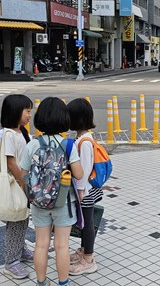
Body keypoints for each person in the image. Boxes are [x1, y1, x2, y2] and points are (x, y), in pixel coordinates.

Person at [18, 97, 83, 286]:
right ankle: (63, 283)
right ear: (64, 119)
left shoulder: (33, 144)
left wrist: (36, 192)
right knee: (61, 245)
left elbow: (23, 174)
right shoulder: (68, 145)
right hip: (63, 202)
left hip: (39, 202)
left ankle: (41, 282)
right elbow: (78, 174)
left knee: (41, 244)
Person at [0, 95, 35, 279]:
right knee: (16, 221)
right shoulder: (8, 134)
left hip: (20, 182)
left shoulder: (21, 132)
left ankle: (20, 249)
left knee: (21, 219)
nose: (30, 115)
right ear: (16, 112)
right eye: (27, 111)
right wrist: (24, 183)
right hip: (16, 183)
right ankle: (11, 262)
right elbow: (11, 162)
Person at [67, 98, 103, 276]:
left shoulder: (85, 142)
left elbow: (85, 169)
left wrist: (80, 192)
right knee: (84, 222)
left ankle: (88, 259)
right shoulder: (82, 138)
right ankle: (84, 250)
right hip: (84, 189)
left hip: (85, 191)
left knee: (87, 223)